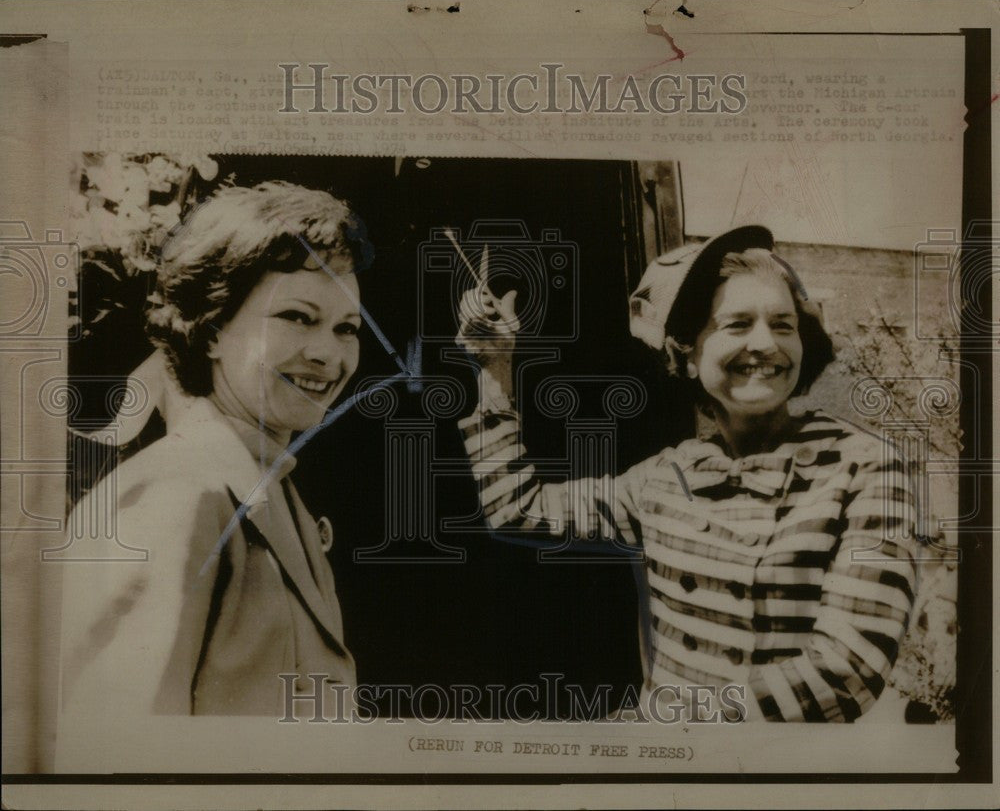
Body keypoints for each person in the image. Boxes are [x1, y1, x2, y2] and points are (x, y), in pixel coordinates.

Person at [457, 225, 919, 722]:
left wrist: (661, 725)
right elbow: (516, 509)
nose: (765, 343)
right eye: (737, 324)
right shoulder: (668, 475)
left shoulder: (865, 466)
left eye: (784, 325)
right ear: (690, 354)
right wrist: (494, 366)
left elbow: (847, 671)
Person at [59, 181, 370, 716]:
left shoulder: (265, 484)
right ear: (211, 330)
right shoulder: (175, 495)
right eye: (297, 317)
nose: (328, 354)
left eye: (347, 328)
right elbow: (123, 761)